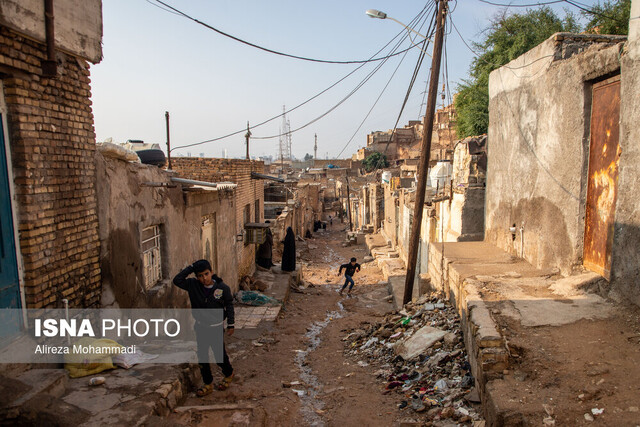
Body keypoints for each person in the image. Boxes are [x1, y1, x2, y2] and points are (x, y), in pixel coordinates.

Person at [173, 259, 235, 397]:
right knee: (203, 357)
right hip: (201, 328)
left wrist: (231, 324)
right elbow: (177, 280)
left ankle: (229, 373)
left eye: (206, 274)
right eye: (200, 275)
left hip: (216, 328)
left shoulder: (222, 288)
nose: (204, 278)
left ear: (211, 272)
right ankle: (208, 383)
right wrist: (191, 267)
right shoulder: (193, 285)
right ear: (196, 277)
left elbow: (229, 305)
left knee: (219, 356)